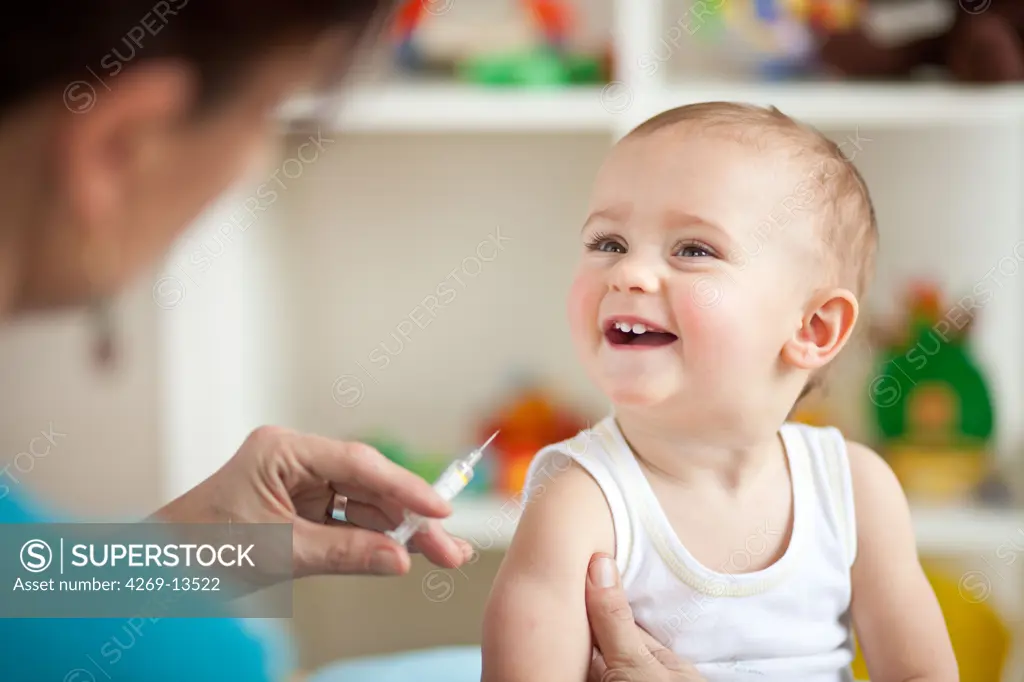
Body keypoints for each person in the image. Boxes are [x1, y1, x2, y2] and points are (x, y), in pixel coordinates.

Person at [0, 3, 687, 681]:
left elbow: (15, 584)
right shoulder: (184, 660)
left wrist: (191, 548)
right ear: (121, 145)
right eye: (270, 115)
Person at [481, 102, 960, 681]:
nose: (628, 272)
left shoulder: (856, 492)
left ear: (812, 328)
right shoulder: (581, 503)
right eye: (608, 242)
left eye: (693, 250)